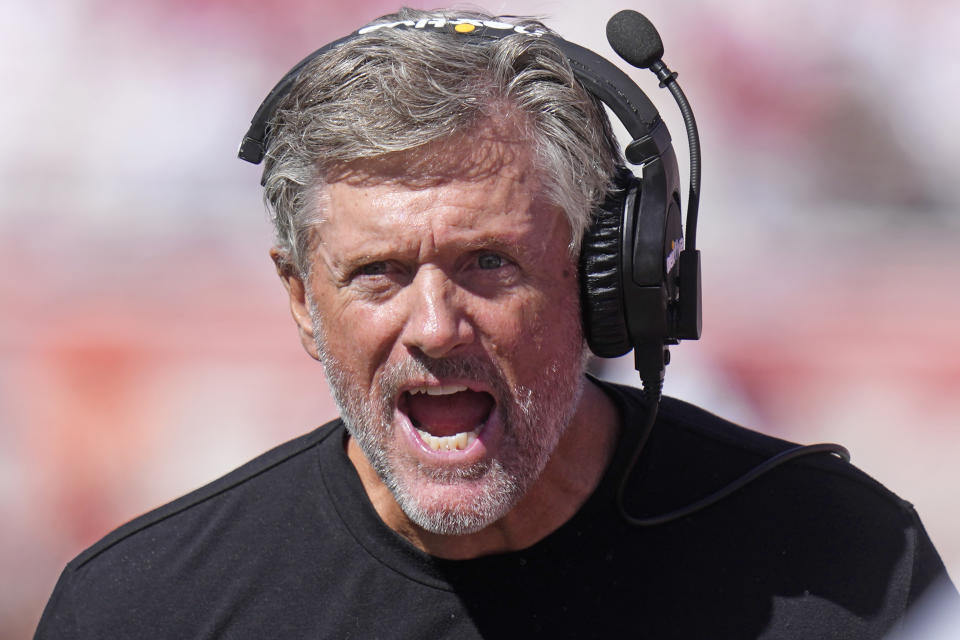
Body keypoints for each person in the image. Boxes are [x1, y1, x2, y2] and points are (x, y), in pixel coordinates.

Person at [35, 8, 957, 639]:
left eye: (488, 263)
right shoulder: (142, 609)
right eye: (378, 273)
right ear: (300, 302)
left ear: (609, 281)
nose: (435, 327)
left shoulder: (847, 564)